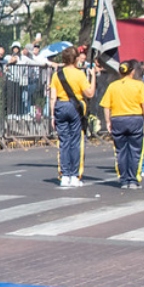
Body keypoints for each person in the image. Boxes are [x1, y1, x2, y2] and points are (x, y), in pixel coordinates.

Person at [49, 47, 97, 187]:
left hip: (60, 106)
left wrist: (52, 115)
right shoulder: (79, 74)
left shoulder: (57, 75)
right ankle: (74, 175)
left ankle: (64, 175)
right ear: (76, 59)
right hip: (75, 107)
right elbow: (89, 93)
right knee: (75, 142)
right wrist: (93, 76)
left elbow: (52, 97)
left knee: (64, 142)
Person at [100, 60, 144, 189]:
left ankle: (123, 180)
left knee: (120, 151)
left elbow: (106, 106)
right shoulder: (139, 85)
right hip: (135, 119)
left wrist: (108, 121)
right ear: (132, 72)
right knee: (135, 150)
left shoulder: (113, 86)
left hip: (118, 119)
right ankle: (133, 180)